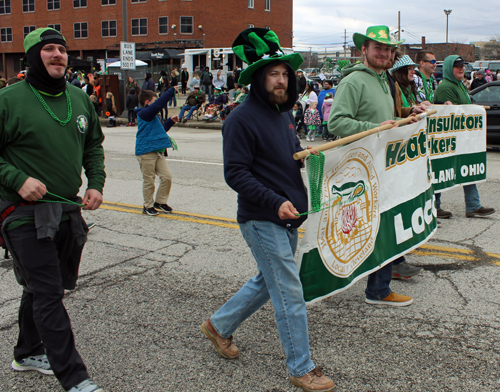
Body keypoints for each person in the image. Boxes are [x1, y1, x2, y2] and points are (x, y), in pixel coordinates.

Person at [201, 27, 335, 392]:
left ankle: (218, 325)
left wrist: (308, 157)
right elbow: (236, 174)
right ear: (258, 79)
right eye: (273, 74)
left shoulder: (283, 115)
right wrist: (276, 201)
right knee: (289, 290)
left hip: (289, 217)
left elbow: (284, 159)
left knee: (267, 282)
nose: (281, 80)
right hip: (263, 219)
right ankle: (301, 367)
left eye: (285, 74)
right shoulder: (240, 120)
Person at [0, 27, 105, 392]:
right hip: (22, 212)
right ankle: (76, 380)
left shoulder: (80, 98)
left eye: (62, 49)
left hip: (66, 210)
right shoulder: (8, 100)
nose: (58, 55)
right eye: (49, 49)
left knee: (43, 287)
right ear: (32, 57)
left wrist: (95, 183)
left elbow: (93, 145)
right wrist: (16, 178)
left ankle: (27, 352)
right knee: (48, 293)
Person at [328, 25, 417, 305]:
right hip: (362, 168)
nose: (385, 53)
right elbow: (337, 122)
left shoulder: (384, 79)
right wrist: (375, 127)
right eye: (378, 48)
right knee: (372, 227)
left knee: (384, 225)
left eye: (389, 49)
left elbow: (387, 117)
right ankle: (376, 290)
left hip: (383, 164)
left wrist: (409, 113)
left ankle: (378, 289)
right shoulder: (354, 81)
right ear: (363, 50)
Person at [434, 55, 496, 218]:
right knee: (443, 171)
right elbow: (447, 114)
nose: (461, 69)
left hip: (462, 137)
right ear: (448, 68)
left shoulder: (459, 85)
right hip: (449, 139)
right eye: (457, 66)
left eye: (462, 66)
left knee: (468, 168)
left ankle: (473, 205)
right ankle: (435, 206)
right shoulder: (446, 87)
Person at [135, 88, 178, 216]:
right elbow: (159, 104)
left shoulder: (153, 116)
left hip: (158, 152)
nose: (158, 105)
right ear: (147, 102)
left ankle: (160, 202)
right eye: (155, 101)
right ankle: (147, 205)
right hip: (146, 151)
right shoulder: (144, 113)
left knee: (167, 177)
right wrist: (171, 91)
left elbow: (161, 130)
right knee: (149, 180)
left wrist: (170, 121)